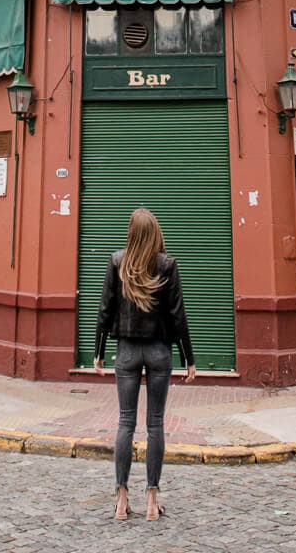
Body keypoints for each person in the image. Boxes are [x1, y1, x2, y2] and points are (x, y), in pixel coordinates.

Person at [94, 208, 196, 522]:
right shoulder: (167, 265)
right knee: (155, 424)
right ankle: (152, 498)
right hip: (158, 352)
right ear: (156, 233)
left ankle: (121, 498)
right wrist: (188, 359)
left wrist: (98, 352)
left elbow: (105, 309)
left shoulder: (117, 261)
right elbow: (178, 315)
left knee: (126, 422)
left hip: (126, 352)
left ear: (131, 232)